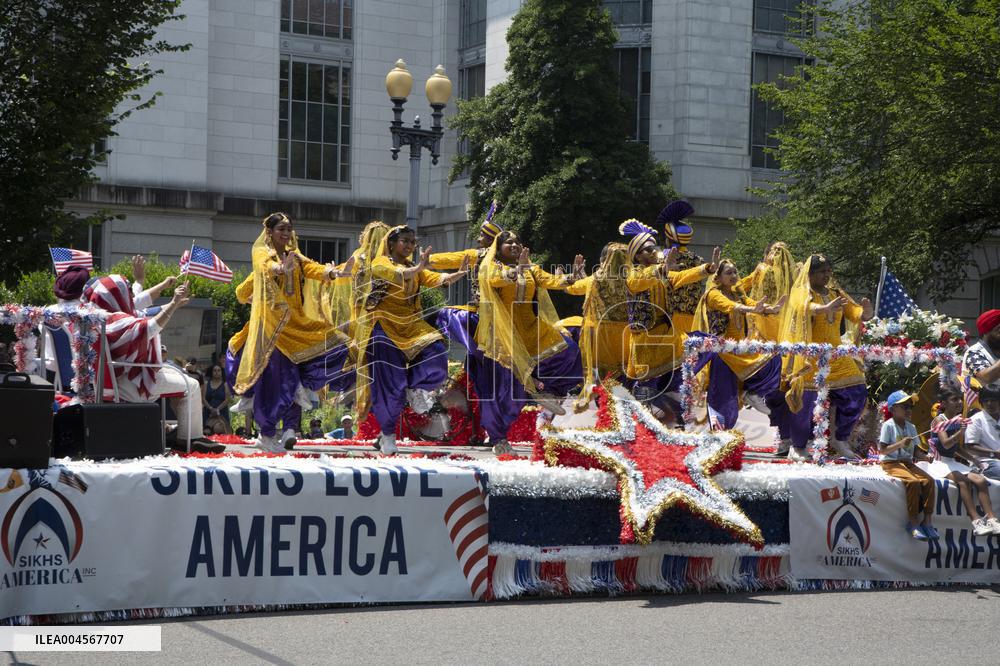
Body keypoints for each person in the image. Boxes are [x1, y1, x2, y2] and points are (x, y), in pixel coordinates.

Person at [232, 211, 358, 453]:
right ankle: (267, 433)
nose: (287, 233)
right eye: (281, 229)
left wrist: (335, 273)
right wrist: (277, 271)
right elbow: (257, 274)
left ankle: (289, 424)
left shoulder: (295, 257)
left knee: (338, 344)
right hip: (273, 332)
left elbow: (314, 269)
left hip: (297, 327)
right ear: (269, 232)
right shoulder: (262, 254)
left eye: (289, 229)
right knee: (279, 382)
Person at [352, 225, 469, 454]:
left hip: (410, 326)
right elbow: (400, 275)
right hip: (383, 328)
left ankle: (413, 388)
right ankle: (387, 435)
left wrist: (456, 275)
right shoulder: (381, 263)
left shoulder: (412, 267)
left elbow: (433, 277)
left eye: (412, 242)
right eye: (405, 241)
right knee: (389, 384)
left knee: (436, 352)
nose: (409, 246)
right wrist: (419, 267)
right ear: (392, 243)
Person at [82, 274, 223, 453]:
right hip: (133, 383)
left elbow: (146, 312)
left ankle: (179, 432)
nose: (130, 298)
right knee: (193, 385)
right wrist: (173, 304)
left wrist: (175, 302)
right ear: (117, 295)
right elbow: (151, 327)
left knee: (181, 376)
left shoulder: (99, 319)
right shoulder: (118, 321)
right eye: (125, 292)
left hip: (123, 377)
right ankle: (190, 439)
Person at [475, 230, 584, 454]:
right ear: (498, 247)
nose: (514, 245)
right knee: (507, 392)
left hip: (531, 330)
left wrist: (572, 276)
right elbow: (495, 279)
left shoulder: (531, 268)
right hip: (505, 334)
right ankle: (498, 439)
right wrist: (517, 270)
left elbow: (552, 280)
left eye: (517, 242)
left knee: (569, 350)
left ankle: (549, 391)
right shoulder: (492, 267)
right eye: (509, 242)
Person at [621, 218, 719, 422]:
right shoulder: (633, 274)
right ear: (636, 255)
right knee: (648, 389)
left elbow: (681, 276)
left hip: (667, 337)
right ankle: (642, 426)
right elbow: (641, 281)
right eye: (647, 250)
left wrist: (707, 269)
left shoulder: (662, 272)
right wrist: (663, 267)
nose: (653, 252)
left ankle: (677, 422)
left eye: (654, 248)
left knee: (680, 374)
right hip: (646, 342)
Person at [779, 254, 873, 461]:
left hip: (835, 355)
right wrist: (822, 309)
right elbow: (802, 307)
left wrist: (865, 313)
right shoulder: (801, 293)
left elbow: (853, 311)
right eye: (821, 271)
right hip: (809, 357)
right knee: (804, 403)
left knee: (857, 391)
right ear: (810, 274)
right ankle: (798, 446)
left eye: (828, 271)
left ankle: (840, 439)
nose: (826, 275)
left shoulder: (834, 293)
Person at [691, 259, 784, 429]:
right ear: (718, 277)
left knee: (774, 361)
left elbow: (751, 303)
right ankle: (719, 436)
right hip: (722, 354)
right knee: (724, 398)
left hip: (740, 350)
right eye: (728, 273)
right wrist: (751, 309)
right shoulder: (713, 294)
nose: (734, 275)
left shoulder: (737, 293)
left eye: (735, 272)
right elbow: (729, 306)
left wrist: (771, 309)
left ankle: (753, 392)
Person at [920, 385, 1000, 535]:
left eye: (960, 399)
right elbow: (946, 443)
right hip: (940, 463)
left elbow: (957, 448)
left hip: (951, 461)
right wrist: (961, 431)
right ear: (943, 403)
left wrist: (975, 461)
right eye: (954, 399)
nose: (958, 402)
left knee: (980, 480)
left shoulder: (956, 421)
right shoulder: (940, 420)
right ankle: (976, 521)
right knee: (962, 481)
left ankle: (992, 519)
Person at [562, 242, 629, 402]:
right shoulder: (632, 280)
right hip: (624, 334)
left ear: (605, 259)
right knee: (621, 375)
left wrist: (565, 279)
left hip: (597, 333)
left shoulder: (596, 278)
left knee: (596, 375)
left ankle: (600, 411)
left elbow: (574, 289)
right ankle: (618, 410)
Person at [879, 390, 937, 541]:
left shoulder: (911, 427)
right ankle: (913, 522)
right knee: (913, 482)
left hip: (907, 463)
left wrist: (926, 457)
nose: (908, 409)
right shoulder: (888, 426)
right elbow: (883, 450)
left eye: (910, 406)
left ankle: (928, 521)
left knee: (929, 481)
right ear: (892, 409)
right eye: (904, 406)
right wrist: (900, 444)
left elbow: (917, 453)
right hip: (891, 462)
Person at [656, 200, 705, 338]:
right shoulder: (698, 260)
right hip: (694, 317)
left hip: (669, 319)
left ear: (668, 238)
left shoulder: (661, 261)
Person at [739, 241, 798, 342]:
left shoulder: (762, 269)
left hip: (762, 315)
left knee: (762, 350)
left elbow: (742, 287)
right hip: (784, 318)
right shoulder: (792, 273)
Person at [964, 386, 1000, 481]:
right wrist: (995, 454)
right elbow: (970, 447)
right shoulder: (976, 420)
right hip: (984, 462)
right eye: (985, 400)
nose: (989, 403)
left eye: (993, 400)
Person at [963, 309, 1000, 393]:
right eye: (999, 330)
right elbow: (987, 377)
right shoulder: (974, 352)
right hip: (982, 404)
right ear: (986, 332)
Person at [202, 364, 231, 434]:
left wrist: (217, 409)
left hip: (222, 413)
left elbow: (227, 400)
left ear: (221, 372)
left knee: (218, 429)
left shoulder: (225, 385)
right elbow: (203, 398)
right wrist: (210, 408)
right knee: (206, 432)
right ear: (211, 372)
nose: (217, 372)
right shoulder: (206, 384)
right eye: (214, 370)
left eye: (219, 370)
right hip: (208, 412)